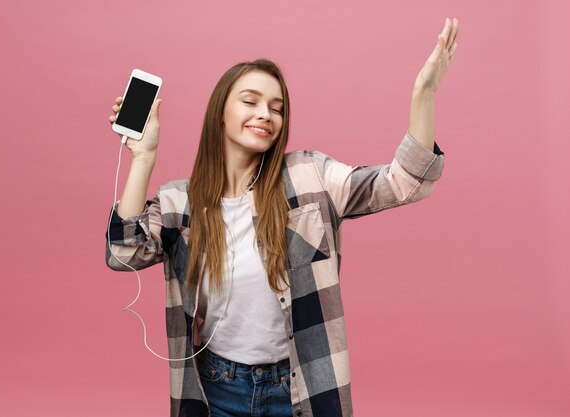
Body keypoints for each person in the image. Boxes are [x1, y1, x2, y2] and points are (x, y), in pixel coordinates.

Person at [105, 18, 459, 417]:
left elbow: (407, 182)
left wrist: (423, 93)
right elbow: (123, 252)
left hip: (300, 389)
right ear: (220, 111)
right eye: (251, 101)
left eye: (277, 108)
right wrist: (144, 157)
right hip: (213, 390)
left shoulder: (310, 176)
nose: (266, 115)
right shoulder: (179, 201)